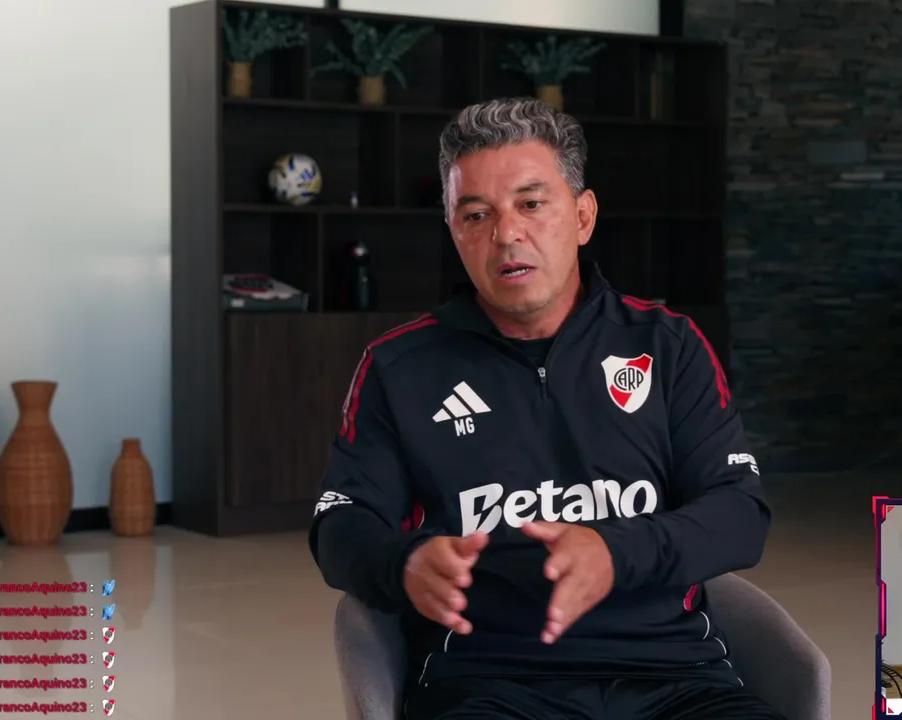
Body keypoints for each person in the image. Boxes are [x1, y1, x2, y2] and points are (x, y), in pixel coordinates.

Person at [308, 96, 784, 720]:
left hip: (676, 676)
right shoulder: (399, 368)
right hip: (487, 681)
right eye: (476, 214)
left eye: (531, 204)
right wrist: (403, 563)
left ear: (583, 216)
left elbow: (739, 514)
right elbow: (341, 525)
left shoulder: (667, 345)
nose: (506, 234)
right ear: (454, 231)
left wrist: (615, 553)